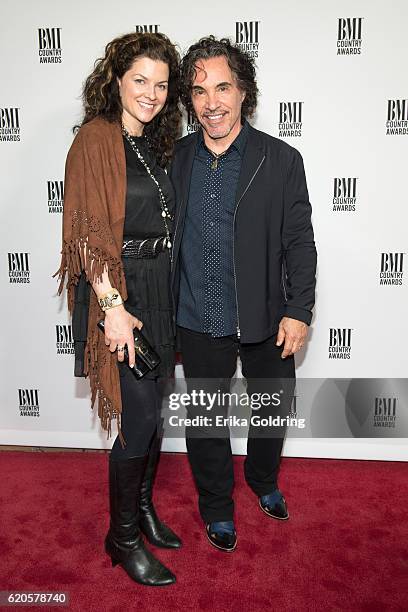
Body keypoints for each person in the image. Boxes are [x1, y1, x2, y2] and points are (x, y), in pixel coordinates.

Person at [170, 36, 317, 552]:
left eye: (223, 87)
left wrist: (299, 309)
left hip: (264, 314)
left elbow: (300, 241)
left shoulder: (281, 160)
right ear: (189, 100)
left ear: (244, 91)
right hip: (195, 313)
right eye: (200, 90)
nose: (212, 102)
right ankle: (216, 506)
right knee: (206, 422)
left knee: (272, 410)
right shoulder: (176, 157)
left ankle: (262, 481)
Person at [54, 32, 182, 585]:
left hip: (159, 286)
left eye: (161, 84)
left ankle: (145, 508)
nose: (152, 94)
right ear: (116, 79)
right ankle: (122, 536)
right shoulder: (95, 138)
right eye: (140, 81)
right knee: (139, 418)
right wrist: (111, 307)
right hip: (120, 291)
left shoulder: (153, 145)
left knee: (154, 414)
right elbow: (86, 232)